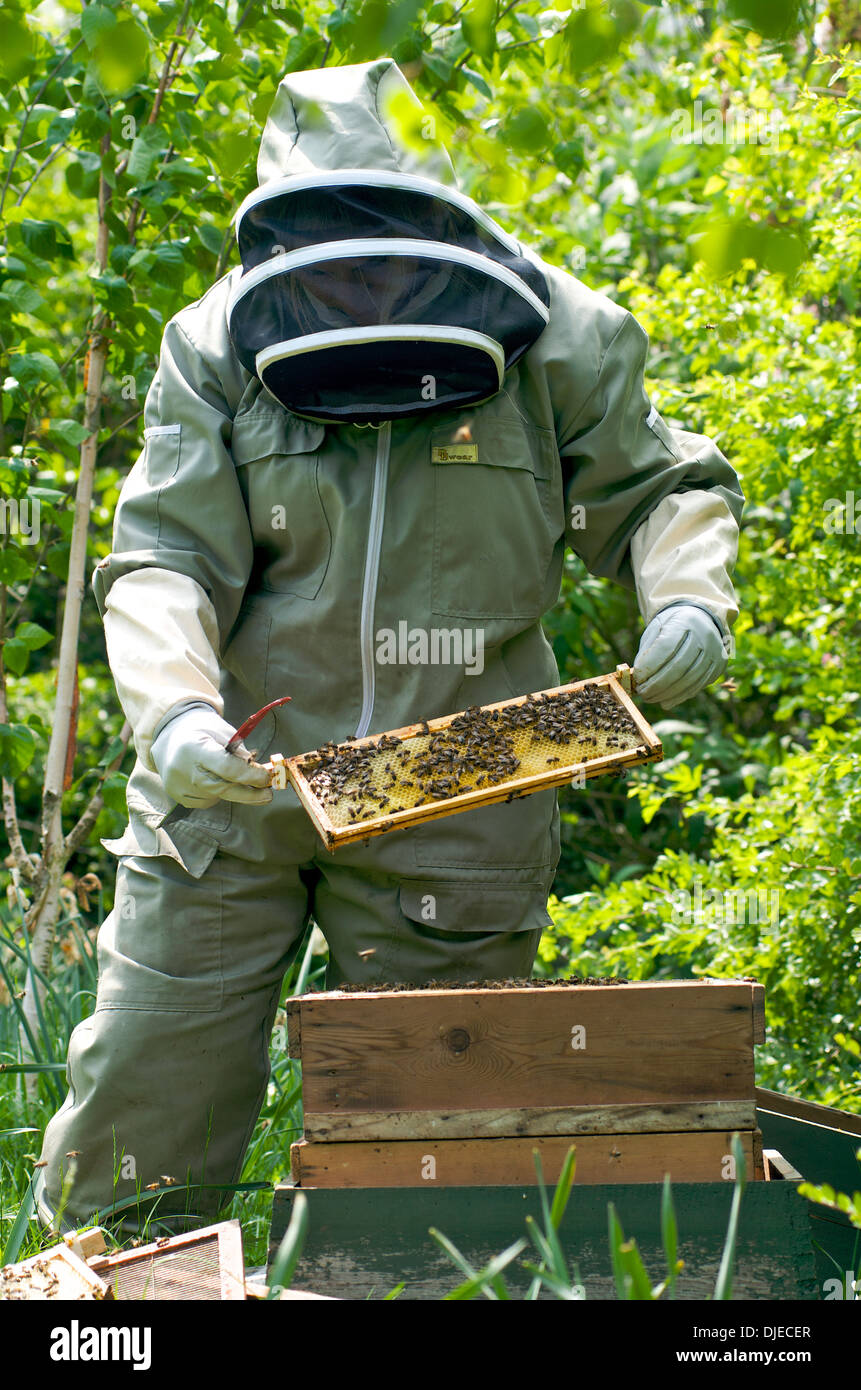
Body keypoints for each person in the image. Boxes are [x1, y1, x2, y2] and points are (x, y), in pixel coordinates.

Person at [36, 58, 743, 1231]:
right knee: (143, 1112)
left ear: (444, 219)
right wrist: (171, 714)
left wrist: (687, 597)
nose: (366, 282)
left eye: (392, 250)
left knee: (441, 1135)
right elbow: (164, 555)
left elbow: (665, 489)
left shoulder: (565, 338)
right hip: (233, 780)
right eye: (340, 260)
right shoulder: (211, 343)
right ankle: (112, 1320)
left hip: (458, 782)